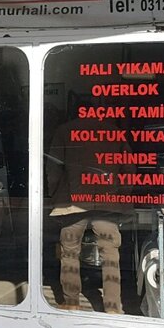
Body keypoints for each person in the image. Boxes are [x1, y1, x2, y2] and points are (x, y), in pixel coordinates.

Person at [48, 103, 124, 314]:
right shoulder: (113, 132)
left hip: (72, 201)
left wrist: (54, 195)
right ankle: (113, 307)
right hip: (106, 200)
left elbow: (53, 168)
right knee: (110, 253)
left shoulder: (64, 131)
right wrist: (121, 192)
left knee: (70, 252)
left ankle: (71, 301)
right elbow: (128, 167)